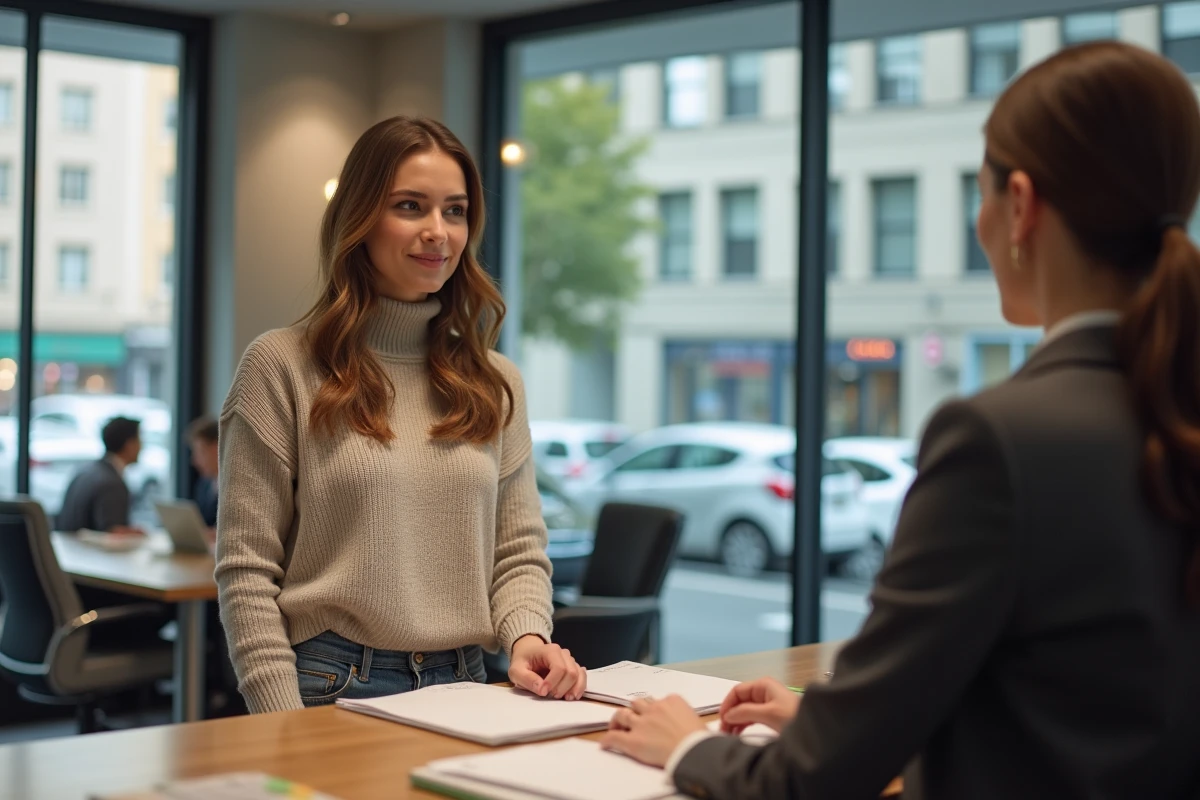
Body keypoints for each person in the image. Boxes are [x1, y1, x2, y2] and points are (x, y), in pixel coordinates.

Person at [603, 42, 1200, 799]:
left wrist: (685, 748)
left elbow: (807, 785)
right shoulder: (1167, 413)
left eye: (977, 193)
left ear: (1020, 205)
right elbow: (1080, 705)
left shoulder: (1000, 441)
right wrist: (835, 715)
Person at [215, 116, 586, 714]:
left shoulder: (494, 380)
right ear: (359, 218)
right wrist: (279, 722)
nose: (438, 232)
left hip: (470, 681)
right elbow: (247, 571)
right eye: (410, 206)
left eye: (456, 211)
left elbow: (517, 550)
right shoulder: (279, 365)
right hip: (329, 685)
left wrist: (527, 637)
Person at [56, 415, 144, 535]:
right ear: (129, 445)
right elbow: (112, 534)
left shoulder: (85, 472)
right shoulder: (112, 483)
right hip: (90, 552)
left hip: (69, 549)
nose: (142, 447)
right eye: (139, 440)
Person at [187, 415, 219, 543]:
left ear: (217, 448)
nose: (194, 461)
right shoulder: (204, 485)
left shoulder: (239, 487)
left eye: (200, 452)